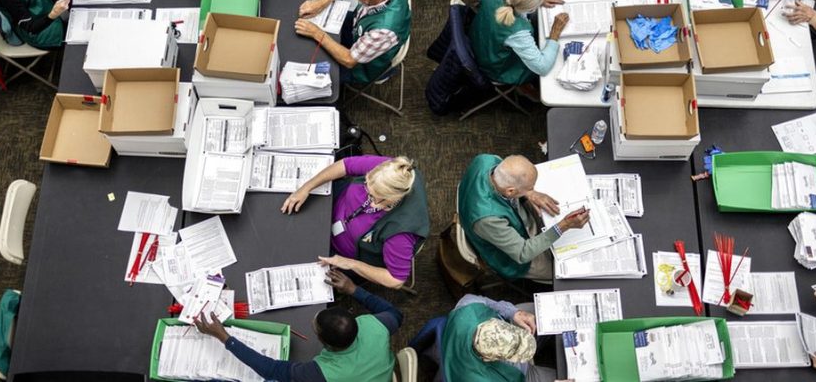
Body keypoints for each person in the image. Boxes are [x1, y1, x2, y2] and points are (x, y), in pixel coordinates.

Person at [195, 269, 400, 382]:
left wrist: (224, 337)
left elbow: (272, 370)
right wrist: (354, 289)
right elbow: (395, 314)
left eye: (315, 328)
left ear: (326, 345)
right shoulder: (376, 326)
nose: (313, 320)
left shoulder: (322, 373)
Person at [280, 155, 428, 289]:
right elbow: (345, 165)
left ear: (392, 198)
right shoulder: (389, 170)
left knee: (290, 260)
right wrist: (306, 187)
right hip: (332, 207)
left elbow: (396, 280)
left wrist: (351, 264)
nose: (368, 198)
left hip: (341, 255)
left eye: (375, 196)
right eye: (367, 187)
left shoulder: (400, 233)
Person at [458, 154, 590, 282]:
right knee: (566, 269)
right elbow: (523, 253)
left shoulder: (486, 160)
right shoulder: (487, 219)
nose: (533, 190)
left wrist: (530, 193)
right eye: (530, 188)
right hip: (513, 258)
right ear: (511, 191)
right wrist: (563, 226)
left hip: (510, 218)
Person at [295, 0, 411, 85]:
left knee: (311, 77)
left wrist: (316, 33)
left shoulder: (383, 31)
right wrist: (320, 3)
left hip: (360, 66)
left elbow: (349, 60)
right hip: (361, 28)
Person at [469, 0, 568, 86]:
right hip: (496, 67)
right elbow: (543, 67)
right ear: (531, 9)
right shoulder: (516, 32)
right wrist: (554, 34)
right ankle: (525, 87)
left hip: (480, 39)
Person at [436, 294, 557, 382]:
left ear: (493, 321)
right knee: (565, 376)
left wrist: (513, 312)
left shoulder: (468, 306)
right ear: (488, 358)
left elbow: (485, 301)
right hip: (519, 374)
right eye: (515, 355)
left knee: (547, 314)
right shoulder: (475, 378)